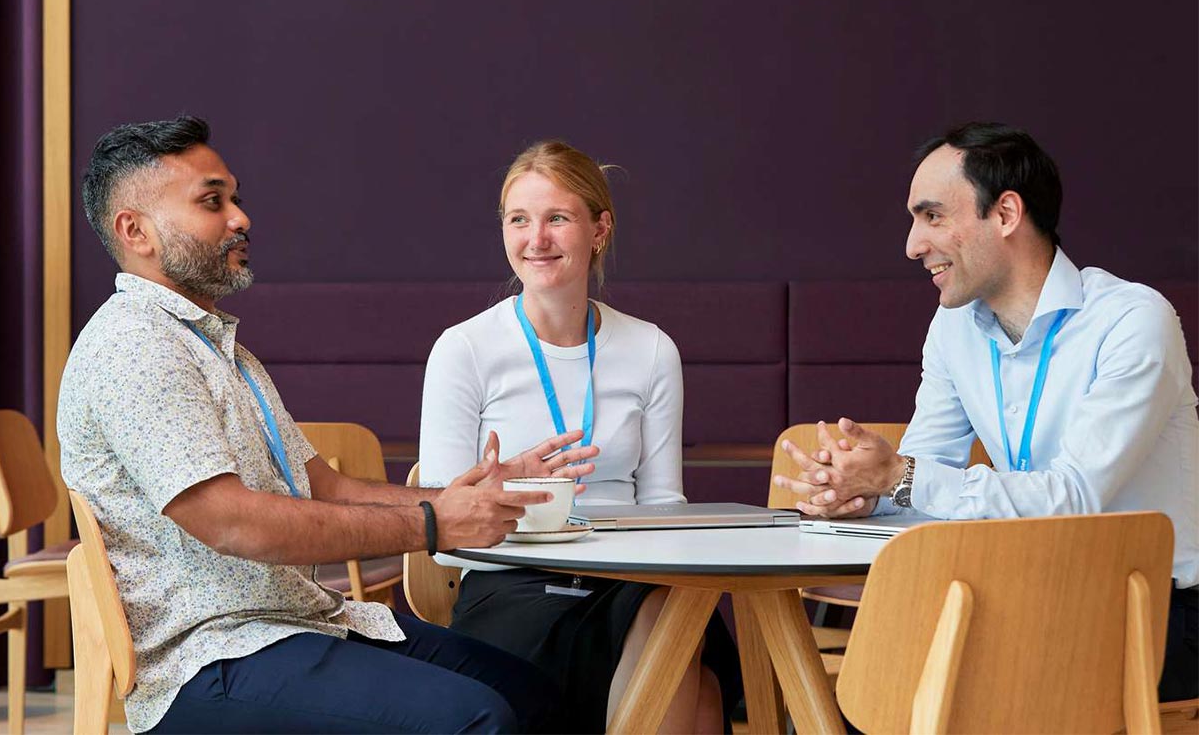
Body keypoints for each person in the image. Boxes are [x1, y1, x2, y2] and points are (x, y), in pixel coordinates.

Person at [58, 116, 601, 733]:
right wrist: (431, 523)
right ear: (136, 231)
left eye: (235, 198)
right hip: (211, 658)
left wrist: (459, 499)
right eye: (213, 202)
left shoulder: (221, 350)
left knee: (535, 696)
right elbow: (231, 521)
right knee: (478, 720)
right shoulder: (133, 347)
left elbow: (327, 488)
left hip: (303, 623)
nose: (241, 217)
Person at [773, 122, 1198, 703]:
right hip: (1021, 593)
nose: (912, 244)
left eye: (932, 216)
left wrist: (900, 477)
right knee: (866, 686)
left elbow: (1075, 500)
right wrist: (863, 493)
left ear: (1005, 214)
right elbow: (923, 479)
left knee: (916, 680)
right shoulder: (953, 328)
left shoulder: (1132, 321)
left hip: (1148, 609)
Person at [419, 140, 741, 734]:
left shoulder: (650, 349)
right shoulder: (463, 350)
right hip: (512, 586)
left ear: (599, 229)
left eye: (557, 218)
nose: (535, 239)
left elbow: (665, 507)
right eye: (519, 219)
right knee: (693, 685)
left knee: (676, 614)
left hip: (632, 578)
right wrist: (507, 492)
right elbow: (440, 534)